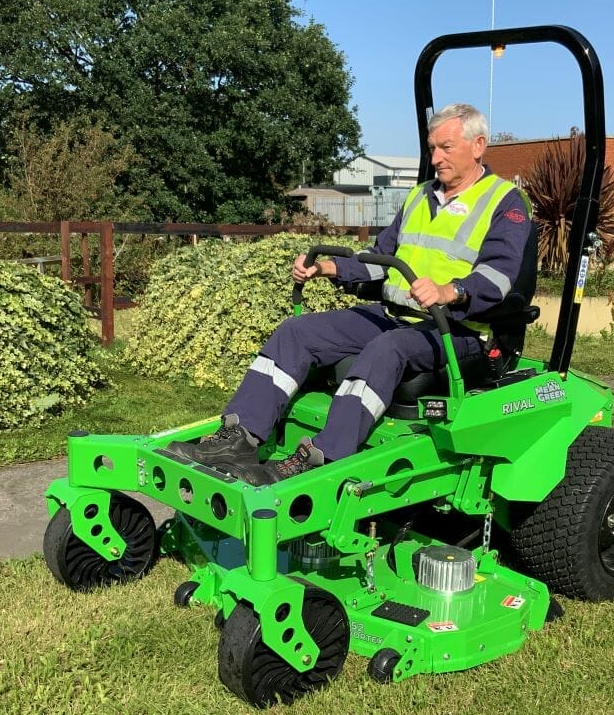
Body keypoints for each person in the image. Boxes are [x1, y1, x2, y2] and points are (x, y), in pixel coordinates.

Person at [170, 103, 532, 485]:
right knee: (297, 332)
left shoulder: (504, 202)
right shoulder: (419, 196)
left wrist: (451, 290)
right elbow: (381, 259)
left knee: (388, 349)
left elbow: (499, 277)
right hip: (393, 315)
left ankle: (324, 457)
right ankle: (238, 438)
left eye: (446, 148)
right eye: (432, 148)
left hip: (455, 329)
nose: (435, 158)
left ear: (478, 145)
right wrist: (328, 268)